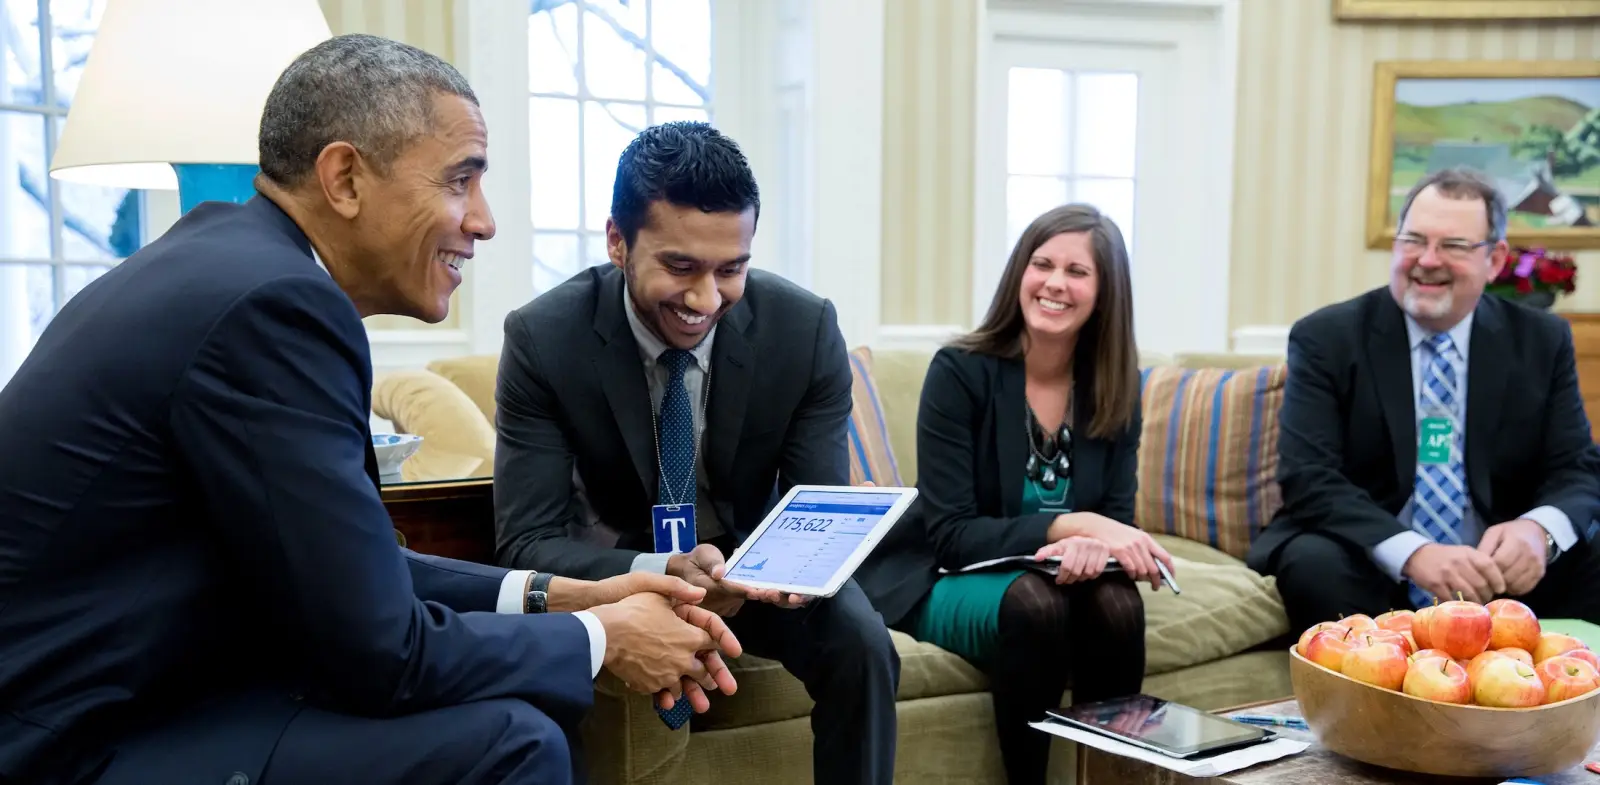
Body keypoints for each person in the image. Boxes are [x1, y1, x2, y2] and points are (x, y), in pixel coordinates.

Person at [0, 35, 740, 785]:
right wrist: (601, 636)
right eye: (461, 181)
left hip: (132, 695)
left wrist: (564, 595)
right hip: (71, 742)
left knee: (517, 711)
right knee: (511, 740)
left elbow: (348, 573)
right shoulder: (275, 307)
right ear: (345, 178)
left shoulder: (233, 267)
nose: (483, 220)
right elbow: (383, 653)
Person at [493, 121, 900, 784]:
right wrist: (662, 570)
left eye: (730, 269)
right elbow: (525, 540)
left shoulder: (803, 329)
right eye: (680, 267)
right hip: (628, 573)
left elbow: (815, 509)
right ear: (618, 242)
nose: (706, 298)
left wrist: (779, 572)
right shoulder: (546, 338)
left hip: (751, 571)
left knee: (860, 638)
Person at [855, 204, 1174, 785]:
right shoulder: (959, 371)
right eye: (1042, 263)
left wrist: (1092, 549)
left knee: (1117, 604)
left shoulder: (1114, 388)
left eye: (1077, 272)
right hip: (946, 576)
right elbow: (950, 535)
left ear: (1105, 292)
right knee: (1036, 604)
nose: (1055, 283)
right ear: (1019, 274)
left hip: (1058, 576)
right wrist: (1067, 527)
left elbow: (1114, 522)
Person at [1247, 166, 1600, 633]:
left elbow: (1576, 466)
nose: (1427, 260)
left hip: (1498, 572)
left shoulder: (1539, 339)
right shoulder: (1328, 337)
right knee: (1313, 563)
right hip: (1370, 560)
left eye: (1453, 246)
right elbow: (1308, 476)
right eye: (1413, 240)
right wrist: (1413, 552)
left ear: (1494, 260)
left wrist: (1539, 531)